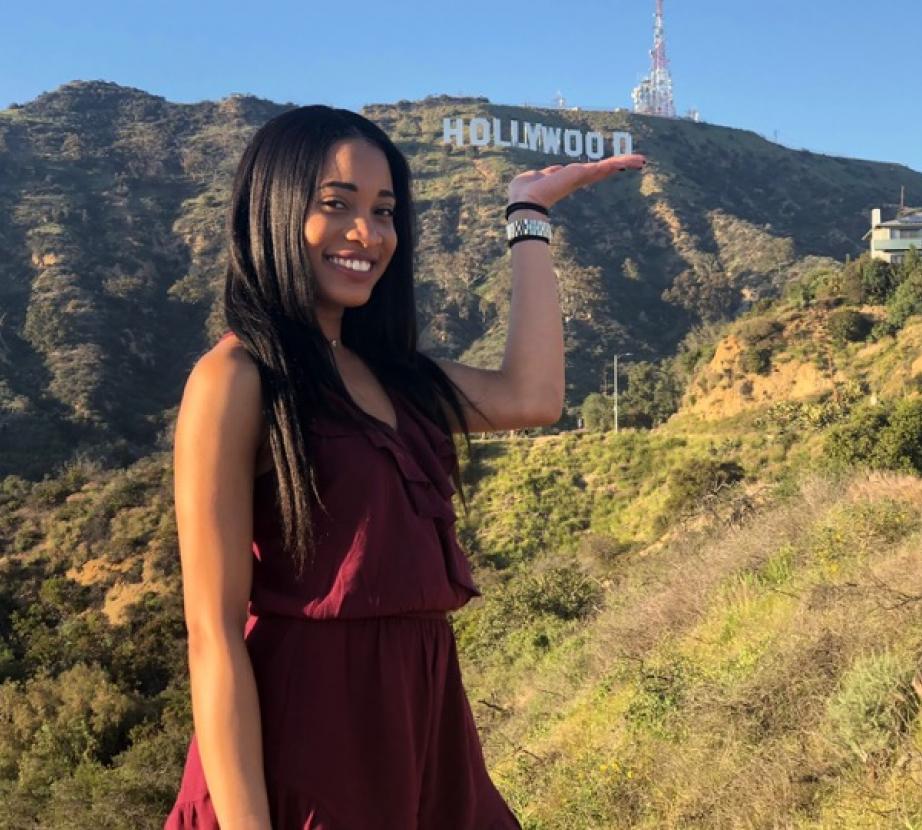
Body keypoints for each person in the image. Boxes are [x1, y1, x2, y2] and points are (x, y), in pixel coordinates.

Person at [164, 104, 645, 830]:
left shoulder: (393, 376)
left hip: (427, 731)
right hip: (310, 749)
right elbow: (215, 634)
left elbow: (534, 396)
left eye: (384, 211)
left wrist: (528, 213)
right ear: (272, 208)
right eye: (337, 205)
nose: (368, 233)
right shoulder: (235, 378)